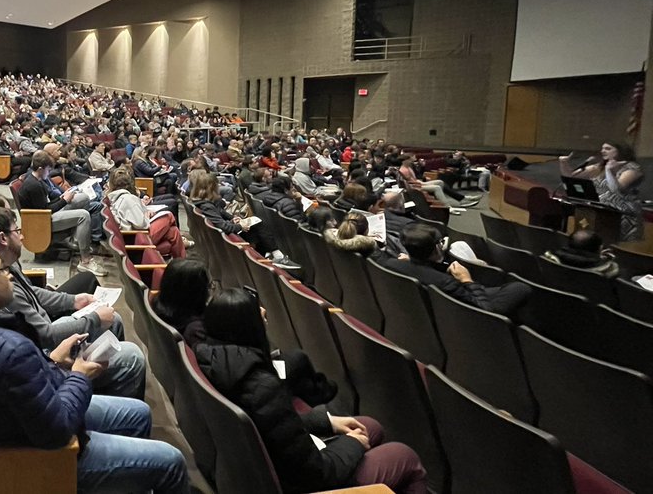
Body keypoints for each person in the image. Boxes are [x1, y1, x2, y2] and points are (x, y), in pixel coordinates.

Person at [0, 240, 190, 494]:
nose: (9, 275)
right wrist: (80, 376)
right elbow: (57, 431)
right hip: (45, 456)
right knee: (172, 461)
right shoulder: (9, 349)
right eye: (1, 270)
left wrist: (55, 360)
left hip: (35, 411)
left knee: (139, 413)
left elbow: (16, 384)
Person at [193, 287, 427, 494]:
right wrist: (353, 444)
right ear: (251, 329)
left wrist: (327, 422)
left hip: (267, 469)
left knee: (369, 425)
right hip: (308, 482)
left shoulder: (213, 362)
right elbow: (316, 474)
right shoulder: (262, 386)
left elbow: (270, 426)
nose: (266, 318)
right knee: (404, 456)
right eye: (260, 318)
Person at [0, 206, 147, 399]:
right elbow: (45, 336)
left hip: (45, 334)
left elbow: (34, 292)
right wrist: (94, 319)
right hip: (46, 355)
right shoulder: (1, 286)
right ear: (3, 238)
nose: (21, 236)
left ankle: (106, 387)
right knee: (133, 357)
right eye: (17, 230)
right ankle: (109, 407)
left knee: (115, 320)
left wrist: (73, 300)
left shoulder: (7, 263)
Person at [377, 224, 531, 317]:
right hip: (463, 312)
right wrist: (466, 280)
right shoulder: (447, 282)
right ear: (437, 247)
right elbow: (487, 312)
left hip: (422, 308)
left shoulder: (391, 263)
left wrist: (411, 262)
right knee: (520, 288)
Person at [16, 150, 107, 276]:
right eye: (48, 170)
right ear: (41, 168)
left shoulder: (38, 179)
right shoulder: (33, 185)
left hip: (45, 214)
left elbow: (47, 203)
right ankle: (85, 261)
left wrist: (62, 197)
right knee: (83, 215)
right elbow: (45, 210)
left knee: (83, 198)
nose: (49, 173)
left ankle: (77, 239)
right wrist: (64, 200)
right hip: (41, 222)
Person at [560, 141, 644, 241]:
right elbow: (570, 177)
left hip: (622, 217)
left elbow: (616, 190)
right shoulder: (599, 167)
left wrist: (609, 171)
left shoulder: (633, 168)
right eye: (602, 148)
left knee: (616, 247)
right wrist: (563, 163)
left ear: (621, 151)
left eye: (608, 149)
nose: (603, 151)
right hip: (599, 213)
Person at [105, 168, 186, 259]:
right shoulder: (128, 199)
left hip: (130, 238)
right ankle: (181, 262)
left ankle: (180, 265)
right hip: (136, 239)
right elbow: (142, 225)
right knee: (168, 216)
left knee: (173, 232)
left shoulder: (114, 197)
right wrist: (146, 216)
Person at [542, 229, 619, 278]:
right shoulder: (606, 271)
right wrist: (598, 259)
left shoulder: (552, 260)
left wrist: (597, 258)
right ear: (598, 249)